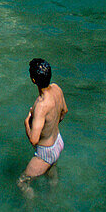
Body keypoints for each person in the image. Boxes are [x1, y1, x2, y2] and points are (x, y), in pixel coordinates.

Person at [18, 58, 68, 195]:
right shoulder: (57, 89)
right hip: (57, 142)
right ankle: (53, 197)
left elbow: (34, 140)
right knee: (51, 172)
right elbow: (64, 111)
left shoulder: (41, 106)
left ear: (34, 80)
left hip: (45, 152)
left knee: (23, 182)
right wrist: (50, 127)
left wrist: (27, 123)